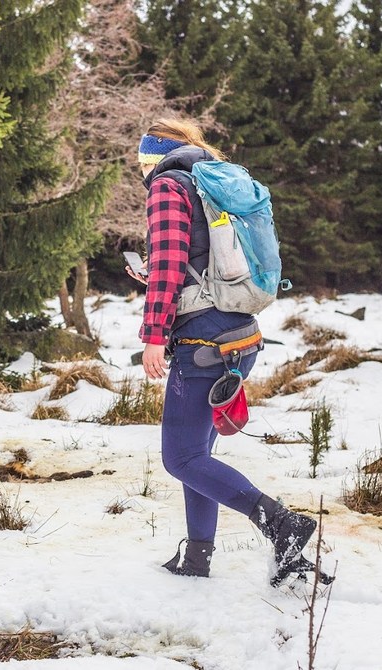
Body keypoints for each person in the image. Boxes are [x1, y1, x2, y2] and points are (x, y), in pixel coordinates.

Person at [128, 118, 319, 585]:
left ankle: (282, 524)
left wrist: (153, 333)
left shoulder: (167, 186)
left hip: (201, 341)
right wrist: (155, 276)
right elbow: (193, 259)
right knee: (199, 455)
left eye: (140, 162)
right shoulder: (212, 182)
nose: (140, 172)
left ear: (153, 157)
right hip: (240, 333)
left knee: (181, 459)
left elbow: (172, 262)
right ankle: (198, 556)